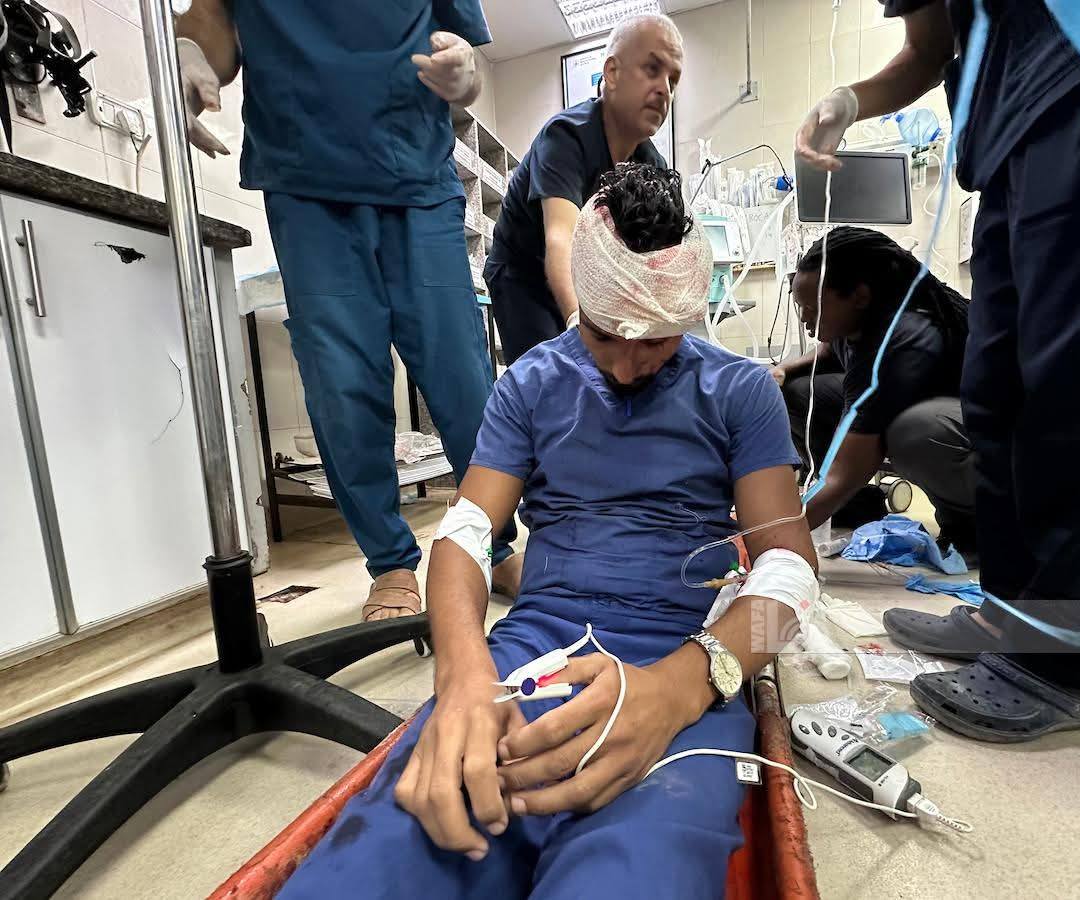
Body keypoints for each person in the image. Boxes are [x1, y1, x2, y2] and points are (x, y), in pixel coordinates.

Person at [276, 165, 817, 899]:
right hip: (536, 646)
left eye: (656, 341)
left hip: (688, 652)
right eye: (604, 334)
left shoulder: (741, 391)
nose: (627, 365)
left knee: (635, 874)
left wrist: (686, 685)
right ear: (579, 300)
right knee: (393, 848)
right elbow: (466, 532)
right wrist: (463, 675)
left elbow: (791, 573)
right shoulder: (531, 383)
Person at [796, 0, 1080, 739]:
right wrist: (851, 100)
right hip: (1004, 142)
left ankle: (1060, 661)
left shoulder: (907, 332)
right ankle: (1009, 611)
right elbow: (927, 47)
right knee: (998, 398)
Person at [176, 1, 522, 621]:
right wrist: (190, 52)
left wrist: (466, 75)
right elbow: (213, 18)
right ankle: (390, 563)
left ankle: (492, 544)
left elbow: (462, 54)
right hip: (305, 180)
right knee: (342, 385)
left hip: (418, 177)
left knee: (465, 380)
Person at [485, 14, 681, 362]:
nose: (665, 88)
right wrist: (581, 325)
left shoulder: (652, 165)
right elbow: (562, 239)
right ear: (612, 73)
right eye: (652, 69)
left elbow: (659, 258)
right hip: (523, 273)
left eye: (673, 79)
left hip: (590, 276)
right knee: (551, 371)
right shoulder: (565, 137)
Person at [774, 227, 974, 558]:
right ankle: (851, 507)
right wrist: (785, 368)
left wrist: (768, 535)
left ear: (860, 297)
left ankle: (973, 528)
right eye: (801, 306)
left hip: (1003, 437)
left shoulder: (906, 337)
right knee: (801, 390)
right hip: (935, 405)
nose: (806, 319)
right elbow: (828, 350)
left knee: (914, 429)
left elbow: (847, 472)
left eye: (813, 308)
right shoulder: (855, 316)